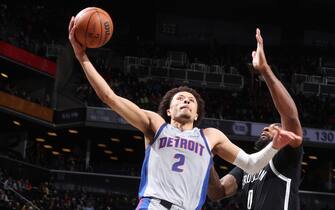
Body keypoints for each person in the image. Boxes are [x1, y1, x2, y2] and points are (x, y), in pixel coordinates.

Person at [68, 17, 301, 210]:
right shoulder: (155, 124)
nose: (186, 100)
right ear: (168, 109)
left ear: (197, 113)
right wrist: (82, 57)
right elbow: (110, 97)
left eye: (191, 100)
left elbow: (250, 165)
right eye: (179, 98)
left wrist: (274, 146)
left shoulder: (211, 136)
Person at [207, 28, 303, 210]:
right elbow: (217, 192)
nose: (265, 129)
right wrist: (207, 161)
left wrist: (265, 71)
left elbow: (290, 115)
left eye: (273, 127)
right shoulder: (247, 166)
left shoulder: (286, 156)